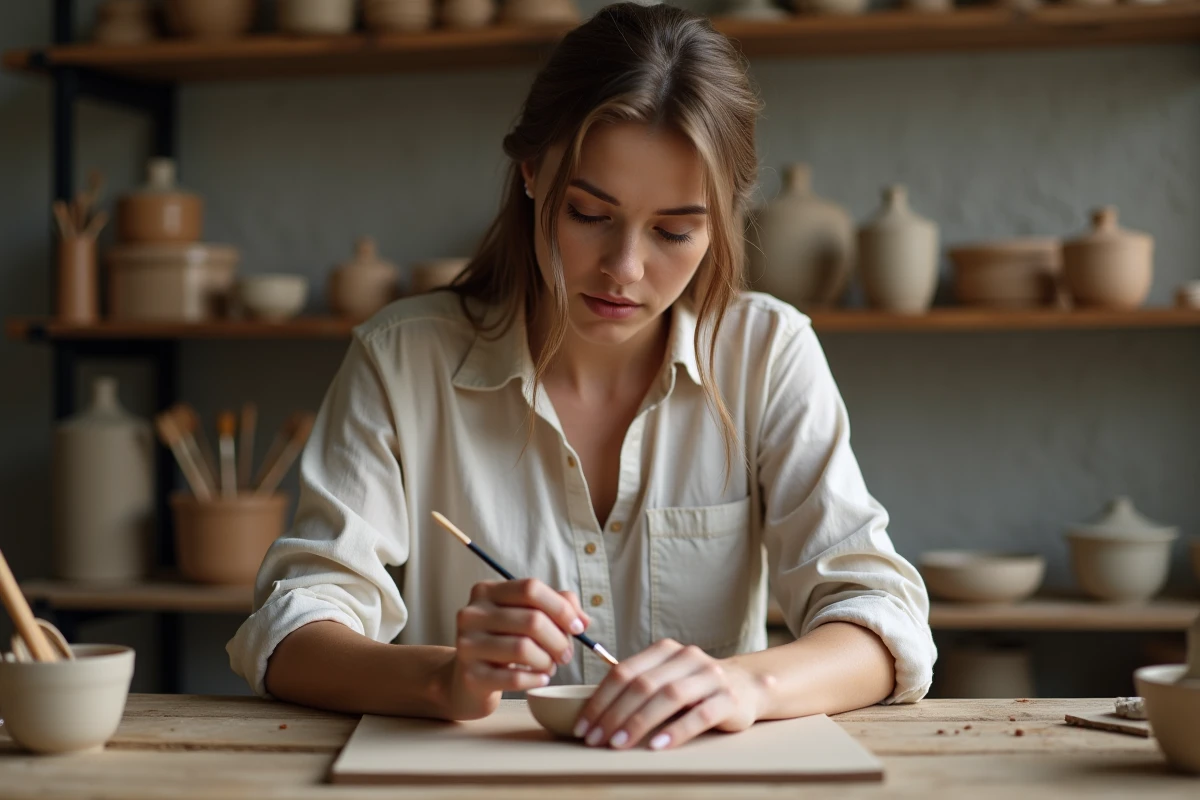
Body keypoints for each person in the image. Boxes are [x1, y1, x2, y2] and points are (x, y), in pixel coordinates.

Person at [228, 2, 935, 752]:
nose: (625, 269)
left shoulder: (766, 352)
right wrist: (443, 680)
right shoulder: (403, 359)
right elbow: (293, 625)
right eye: (589, 213)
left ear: (721, 219)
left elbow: (881, 616)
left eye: (673, 231)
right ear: (532, 173)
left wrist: (741, 685)